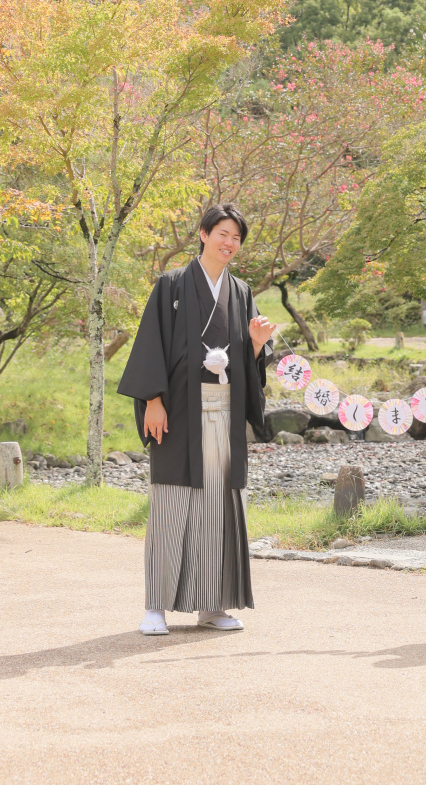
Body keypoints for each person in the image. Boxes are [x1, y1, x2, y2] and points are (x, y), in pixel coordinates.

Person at [118, 202, 276, 636]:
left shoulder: (241, 291)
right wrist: (152, 399)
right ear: (203, 234)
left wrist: (258, 344)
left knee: (219, 508)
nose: (229, 243)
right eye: (222, 234)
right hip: (178, 413)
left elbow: (247, 360)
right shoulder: (170, 285)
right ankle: (156, 605)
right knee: (172, 505)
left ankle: (212, 605)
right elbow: (151, 344)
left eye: (236, 238)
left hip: (224, 413)